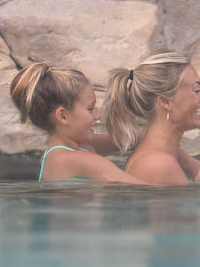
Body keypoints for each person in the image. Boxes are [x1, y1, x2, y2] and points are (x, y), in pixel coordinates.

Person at [10, 62, 144, 186]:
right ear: (63, 116)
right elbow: (147, 191)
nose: (97, 115)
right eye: (90, 109)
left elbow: (130, 139)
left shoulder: (71, 149)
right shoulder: (77, 160)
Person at [105, 53, 200, 186]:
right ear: (165, 102)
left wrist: (190, 163)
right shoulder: (160, 165)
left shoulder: (156, 153)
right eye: (196, 90)